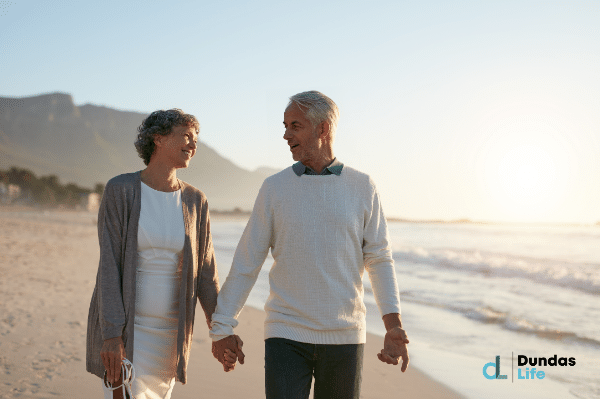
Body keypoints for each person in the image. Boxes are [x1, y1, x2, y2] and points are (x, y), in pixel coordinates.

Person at [209, 91, 409, 399]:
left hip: (345, 337)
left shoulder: (362, 186)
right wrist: (221, 327)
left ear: (323, 129)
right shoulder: (274, 188)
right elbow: (248, 260)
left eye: (295, 125)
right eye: (285, 125)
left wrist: (392, 324)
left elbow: (380, 259)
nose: (286, 134)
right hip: (285, 333)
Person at [85, 109, 242, 399]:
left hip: (171, 337)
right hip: (128, 334)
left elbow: (206, 274)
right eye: (186, 136)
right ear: (158, 138)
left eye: (195, 139)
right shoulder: (120, 190)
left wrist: (220, 330)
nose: (193, 145)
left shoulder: (195, 200)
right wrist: (111, 334)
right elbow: (109, 267)